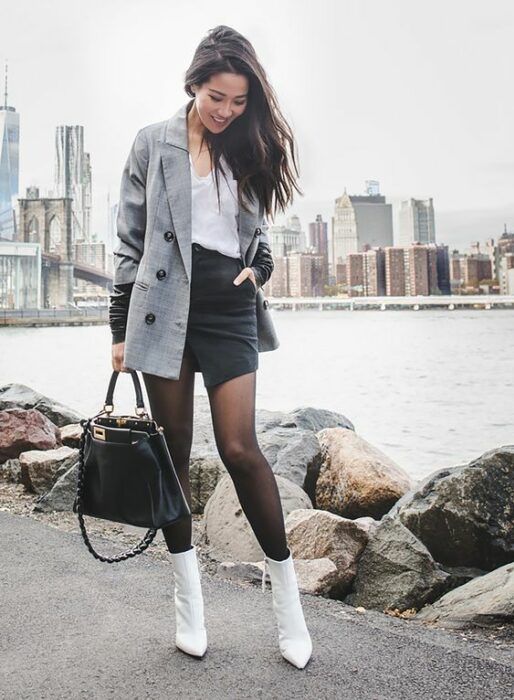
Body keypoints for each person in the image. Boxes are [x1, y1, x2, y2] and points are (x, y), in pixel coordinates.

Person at [109, 25, 312, 670]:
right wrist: (119, 332)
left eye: (238, 101)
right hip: (165, 308)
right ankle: (188, 605)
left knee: (240, 448)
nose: (226, 110)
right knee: (170, 454)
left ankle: (287, 602)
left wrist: (263, 271)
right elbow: (130, 241)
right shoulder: (152, 143)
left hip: (228, 308)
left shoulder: (248, 147)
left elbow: (260, 234)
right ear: (194, 83)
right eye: (217, 97)